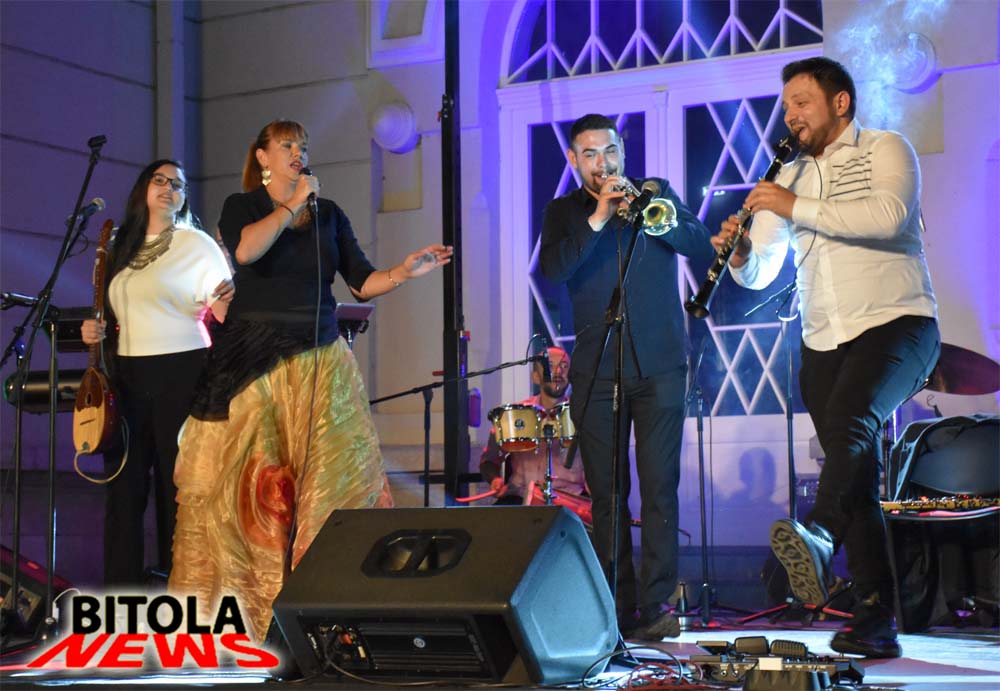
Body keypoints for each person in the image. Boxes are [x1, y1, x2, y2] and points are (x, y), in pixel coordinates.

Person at [168, 119, 453, 640]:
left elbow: (361, 281)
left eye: (302, 145)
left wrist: (404, 271)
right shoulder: (243, 206)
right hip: (254, 363)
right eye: (286, 145)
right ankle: (249, 621)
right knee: (253, 492)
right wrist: (292, 204)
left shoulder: (330, 214)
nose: (298, 152)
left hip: (320, 362)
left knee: (335, 486)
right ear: (262, 157)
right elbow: (247, 251)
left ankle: (327, 618)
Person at [716, 57, 939, 658]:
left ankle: (819, 531)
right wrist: (741, 256)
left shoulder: (886, 149)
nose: (790, 115)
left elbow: (888, 218)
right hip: (822, 341)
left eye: (801, 102)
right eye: (786, 105)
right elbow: (762, 272)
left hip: (899, 322)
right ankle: (875, 620)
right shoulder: (787, 175)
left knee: (851, 424)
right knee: (853, 467)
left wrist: (793, 206)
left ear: (840, 103)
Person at [539, 114, 715, 640]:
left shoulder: (655, 193)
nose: (604, 163)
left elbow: (700, 244)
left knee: (661, 489)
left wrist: (658, 219)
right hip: (598, 370)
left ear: (621, 151)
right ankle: (616, 609)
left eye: (610, 151)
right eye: (591, 154)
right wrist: (598, 216)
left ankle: (657, 605)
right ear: (574, 160)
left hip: (661, 365)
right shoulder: (564, 212)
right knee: (608, 496)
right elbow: (554, 270)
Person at [80, 159, 233, 588]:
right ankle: (120, 592)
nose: (168, 189)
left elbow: (227, 312)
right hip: (127, 375)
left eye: (178, 185)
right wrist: (93, 330)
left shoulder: (196, 244)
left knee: (175, 486)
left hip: (184, 370)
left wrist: (233, 293)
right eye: (160, 181)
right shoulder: (119, 246)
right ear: (143, 189)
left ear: (184, 197)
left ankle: (179, 588)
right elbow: (111, 314)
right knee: (123, 487)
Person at [480, 346, 586, 505]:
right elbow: (489, 460)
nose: (558, 372)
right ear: (535, 377)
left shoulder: (582, 416)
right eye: (550, 366)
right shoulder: (516, 414)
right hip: (521, 497)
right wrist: (495, 479)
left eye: (564, 366)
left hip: (570, 500)